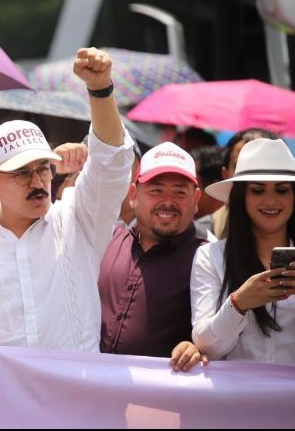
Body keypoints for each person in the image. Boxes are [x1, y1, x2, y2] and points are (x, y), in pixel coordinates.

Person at [0, 48, 134, 364]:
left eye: (43, 168)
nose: (37, 181)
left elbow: (112, 163)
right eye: (22, 173)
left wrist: (100, 89)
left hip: (74, 402)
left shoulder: (77, 222)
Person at [98, 142, 207, 371]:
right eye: (156, 190)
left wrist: (200, 348)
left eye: (179, 192)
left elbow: (220, 337)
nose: (167, 201)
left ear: (196, 200)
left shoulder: (209, 260)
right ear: (133, 194)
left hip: (160, 403)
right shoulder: (106, 240)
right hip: (90, 397)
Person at [191, 138, 295, 365]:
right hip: (233, 399)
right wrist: (238, 303)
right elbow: (206, 346)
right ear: (240, 197)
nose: (270, 200)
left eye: (282, 190)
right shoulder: (210, 256)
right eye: (257, 190)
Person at [212, 128, 279, 238]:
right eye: (240, 166)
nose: (251, 176)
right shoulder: (205, 233)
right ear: (225, 174)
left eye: (261, 165)